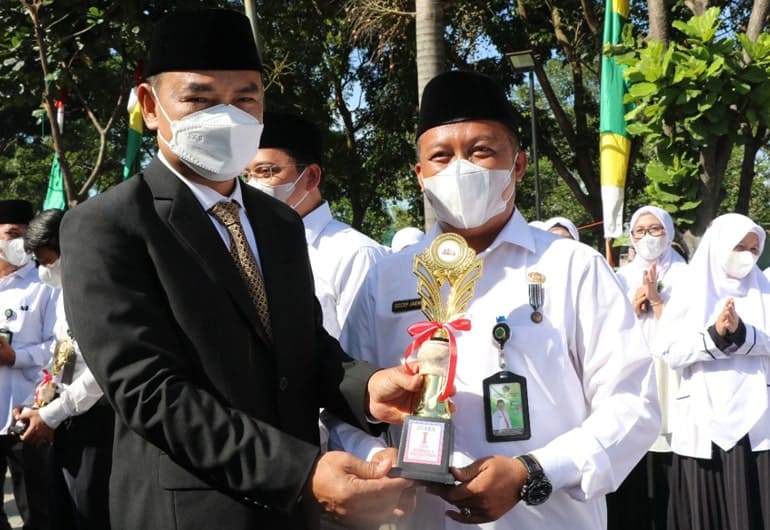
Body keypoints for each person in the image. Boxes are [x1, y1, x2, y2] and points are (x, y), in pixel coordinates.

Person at [58, 9, 421, 530]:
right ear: (150, 105)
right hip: (190, 511)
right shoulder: (107, 224)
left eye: (245, 99)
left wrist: (366, 387)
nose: (226, 116)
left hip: (295, 511)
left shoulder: (277, 221)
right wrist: (302, 472)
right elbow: (149, 391)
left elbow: (303, 344)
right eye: (199, 99)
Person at [335, 70, 660, 529]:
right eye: (441, 157)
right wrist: (378, 460)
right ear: (421, 176)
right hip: (419, 517)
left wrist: (534, 471)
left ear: (519, 165)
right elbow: (347, 402)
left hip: (546, 517)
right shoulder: (386, 279)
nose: (460, 169)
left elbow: (634, 404)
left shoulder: (574, 268)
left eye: (480, 151)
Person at [655, 213, 770, 530]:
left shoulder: (765, 290)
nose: (746, 256)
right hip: (703, 423)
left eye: (752, 249)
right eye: (739, 247)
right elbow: (670, 350)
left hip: (759, 425)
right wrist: (716, 334)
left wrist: (743, 333)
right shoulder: (690, 292)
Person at [244, 111, 388, 339]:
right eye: (247, 175)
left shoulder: (355, 255)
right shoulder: (250, 247)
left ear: (311, 177)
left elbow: (364, 353)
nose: (252, 185)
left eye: (266, 171)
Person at [13, 209, 113, 530]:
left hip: (99, 422)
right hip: (68, 420)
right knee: (64, 513)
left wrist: (52, 414)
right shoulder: (63, 292)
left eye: (46, 260)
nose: (42, 271)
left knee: (91, 513)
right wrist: (47, 395)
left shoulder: (102, 293)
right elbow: (66, 353)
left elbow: (101, 372)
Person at [608, 205, 690, 530]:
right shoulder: (620, 277)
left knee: (669, 453)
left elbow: (690, 329)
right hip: (636, 368)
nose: (647, 237)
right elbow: (608, 328)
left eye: (654, 230)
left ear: (668, 233)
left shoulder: (686, 276)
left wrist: (658, 304)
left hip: (672, 371)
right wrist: (633, 305)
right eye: (640, 231)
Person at [0, 199, 57, 530]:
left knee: (39, 509)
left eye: (24, 234)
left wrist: (15, 356)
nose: (18, 242)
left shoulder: (45, 282)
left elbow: (60, 347)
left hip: (28, 416)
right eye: (10, 233)